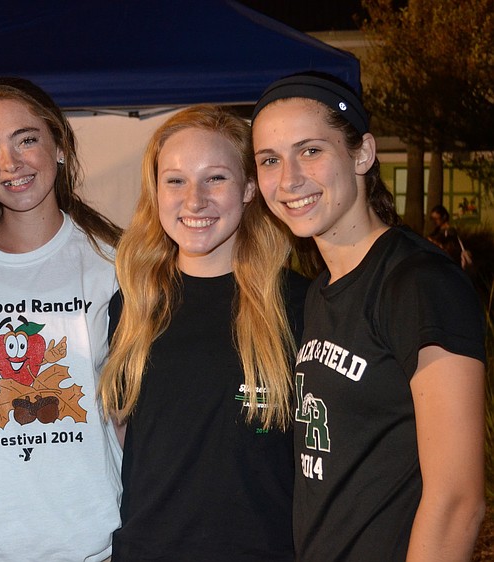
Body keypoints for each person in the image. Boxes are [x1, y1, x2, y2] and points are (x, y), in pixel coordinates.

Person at [251, 72, 486, 561]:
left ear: (362, 154)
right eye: (270, 160)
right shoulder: (320, 292)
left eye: (311, 150)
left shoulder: (419, 283)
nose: (289, 178)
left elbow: (457, 502)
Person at [99, 105, 309, 560]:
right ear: (155, 191)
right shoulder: (133, 306)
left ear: (250, 187)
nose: (194, 201)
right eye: (175, 180)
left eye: (215, 178)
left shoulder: (300, 306)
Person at [0, 76, 123, 561]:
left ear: (59, 145)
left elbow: (129, 412)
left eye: (26, 140)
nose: (10, 164)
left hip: (86, 541)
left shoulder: (114, 262)